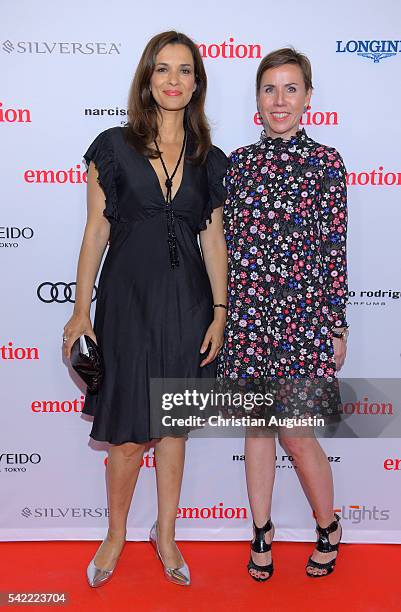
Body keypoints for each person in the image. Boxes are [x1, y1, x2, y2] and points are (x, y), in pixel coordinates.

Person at [63, 30, 228, 588]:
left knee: (175, 429)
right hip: (126, 304)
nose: (173, 80)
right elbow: (95, 231)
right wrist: (80, 309)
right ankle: (115, 534)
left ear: (197, 83)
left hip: (188, 307)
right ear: (147, 79)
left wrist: (221, 311)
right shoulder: (113, 146)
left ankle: (166, 534)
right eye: (162, 69)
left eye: (184, 70)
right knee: (130, 436)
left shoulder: (210, 158)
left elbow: (214, 240)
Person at [218, 47, 348, 581]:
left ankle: (328, 526)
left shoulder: (327, 163)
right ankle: (262, 530)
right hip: (249, 316)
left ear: (308, 97)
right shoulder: (239, 166)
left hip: (303, 318)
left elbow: (334, 247)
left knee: (296, 434)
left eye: (290, 88)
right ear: (257, 98)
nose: (279, 99)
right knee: (257, 430)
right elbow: (222, 246)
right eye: (269, 88)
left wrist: (337, 321)